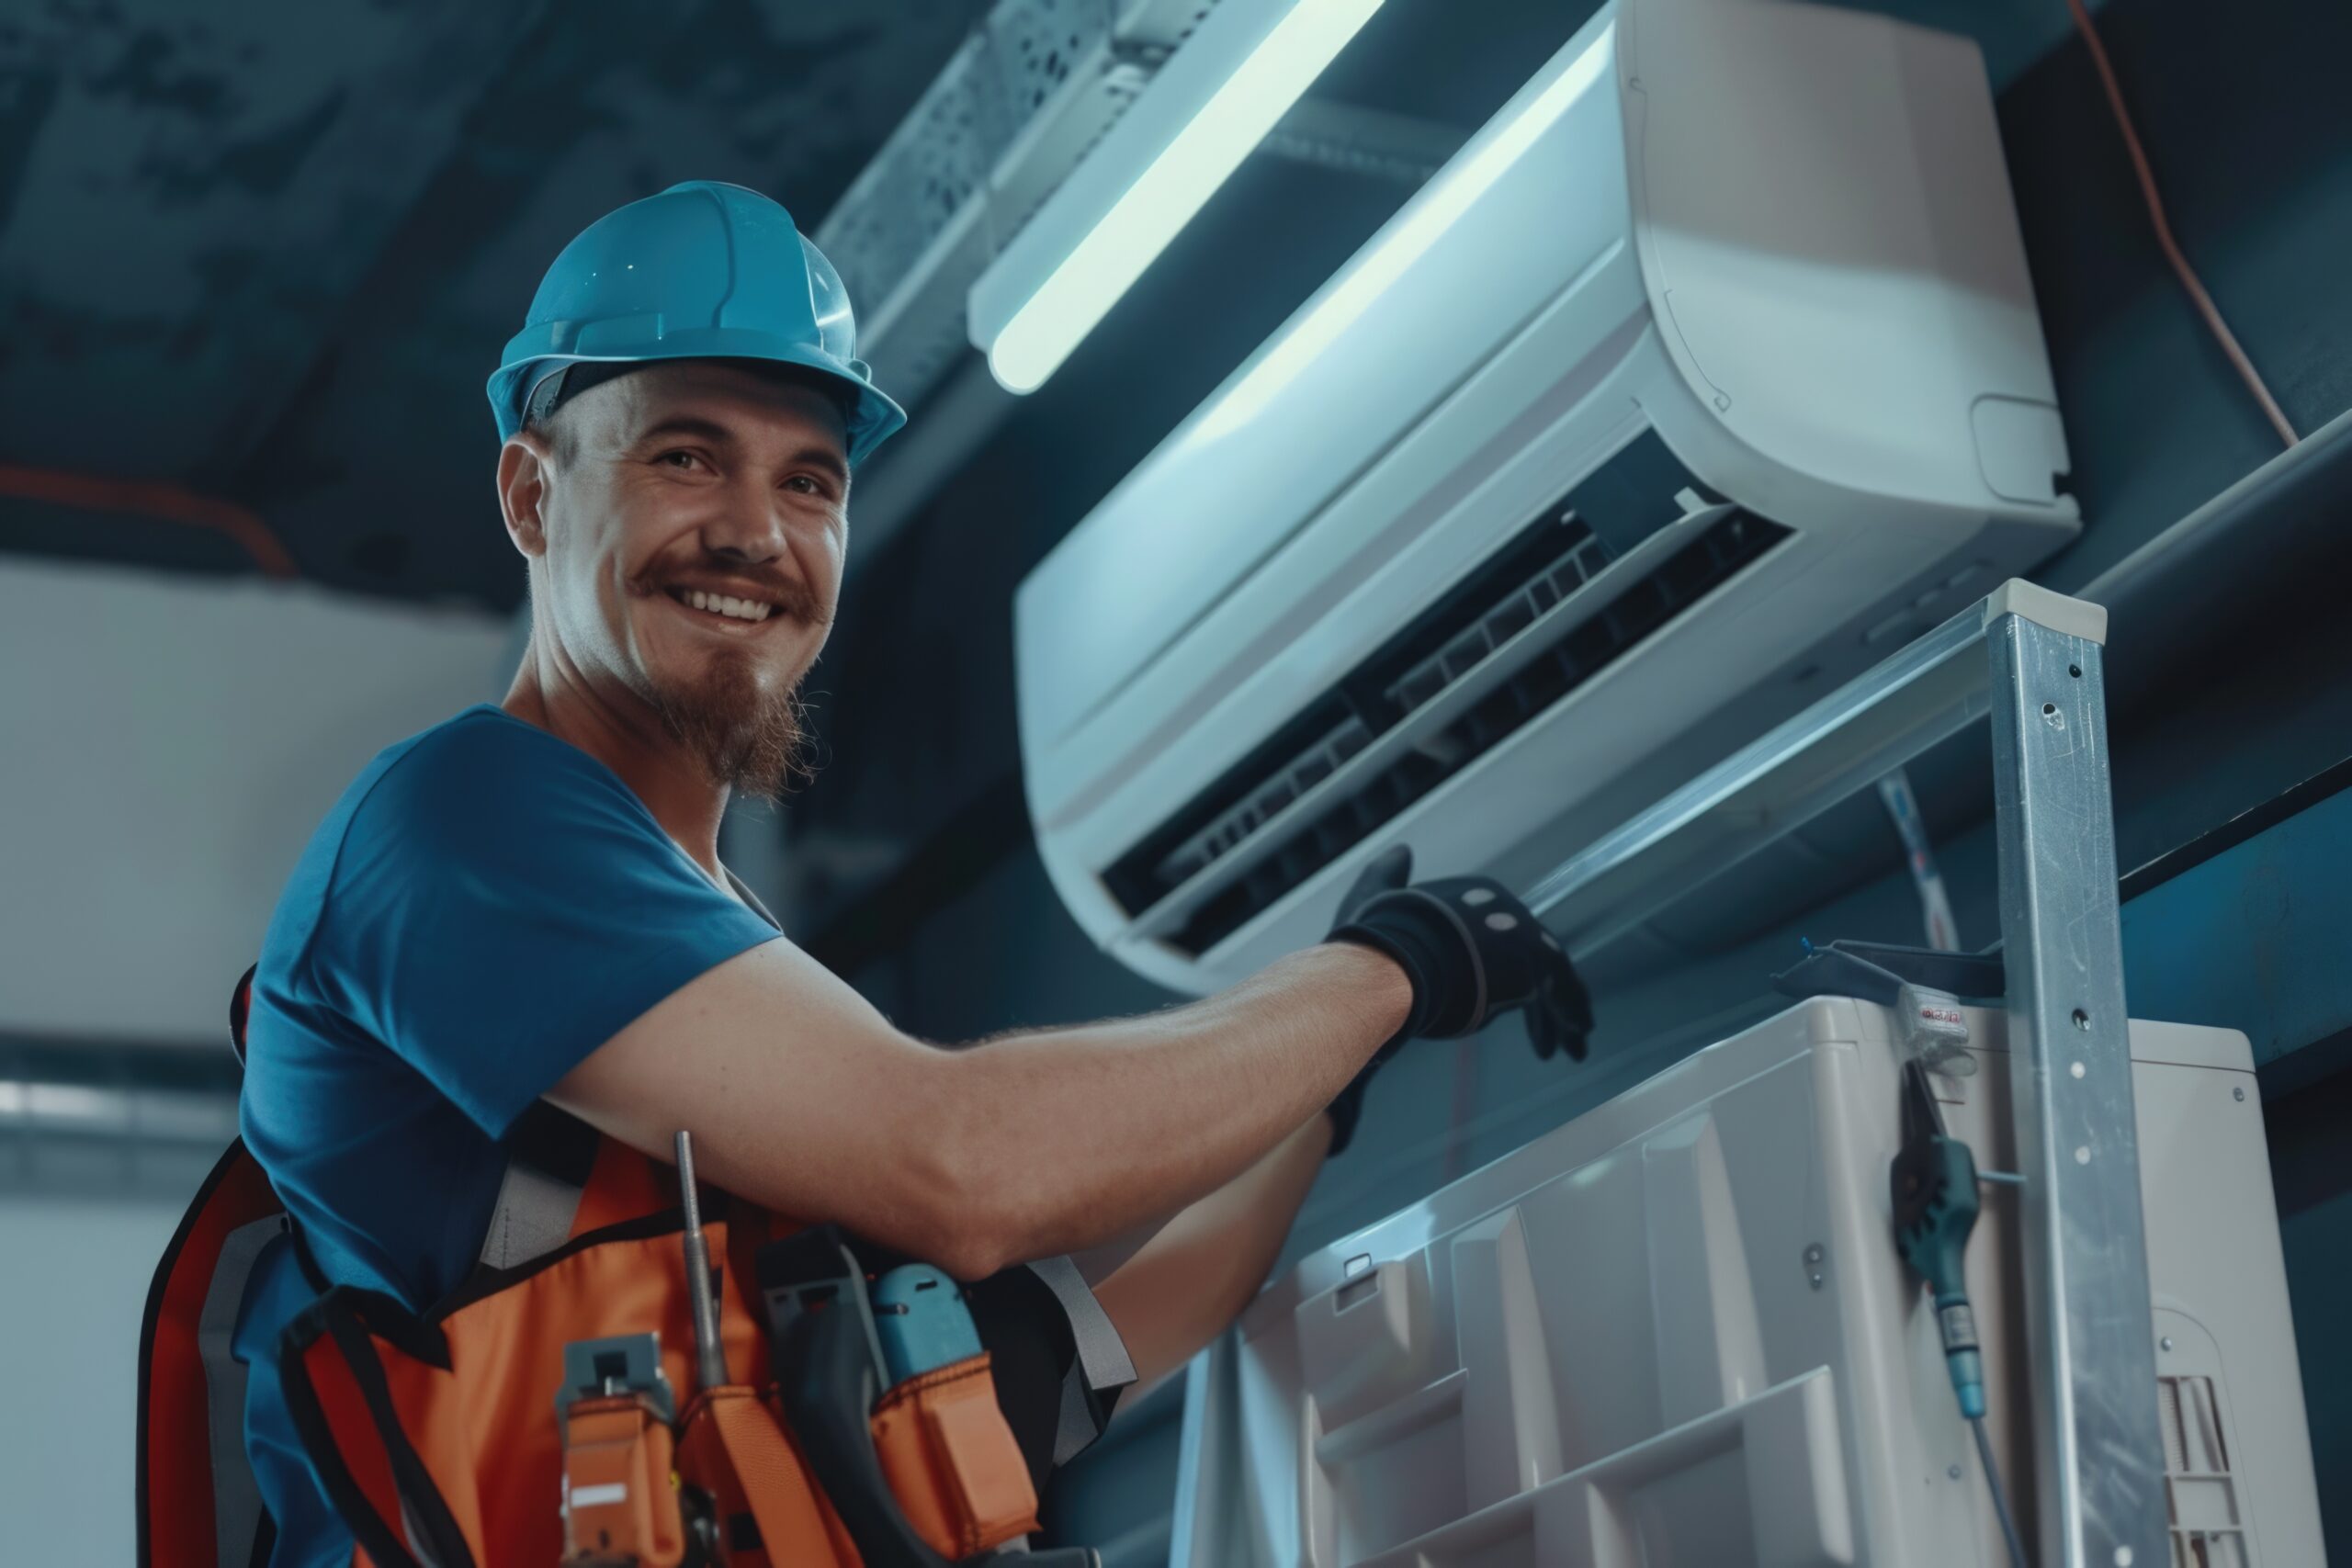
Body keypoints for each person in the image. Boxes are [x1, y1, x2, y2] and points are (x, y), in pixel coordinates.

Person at [229, 180, 1590, 1564]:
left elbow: (1070, 1346)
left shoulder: (727, 975)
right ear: (533, 493)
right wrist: (1384, 976)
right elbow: (967, 1166)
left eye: (808, 479)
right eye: (686, 457)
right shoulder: (463, 820)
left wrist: (1317, 1095)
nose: (757, 531)